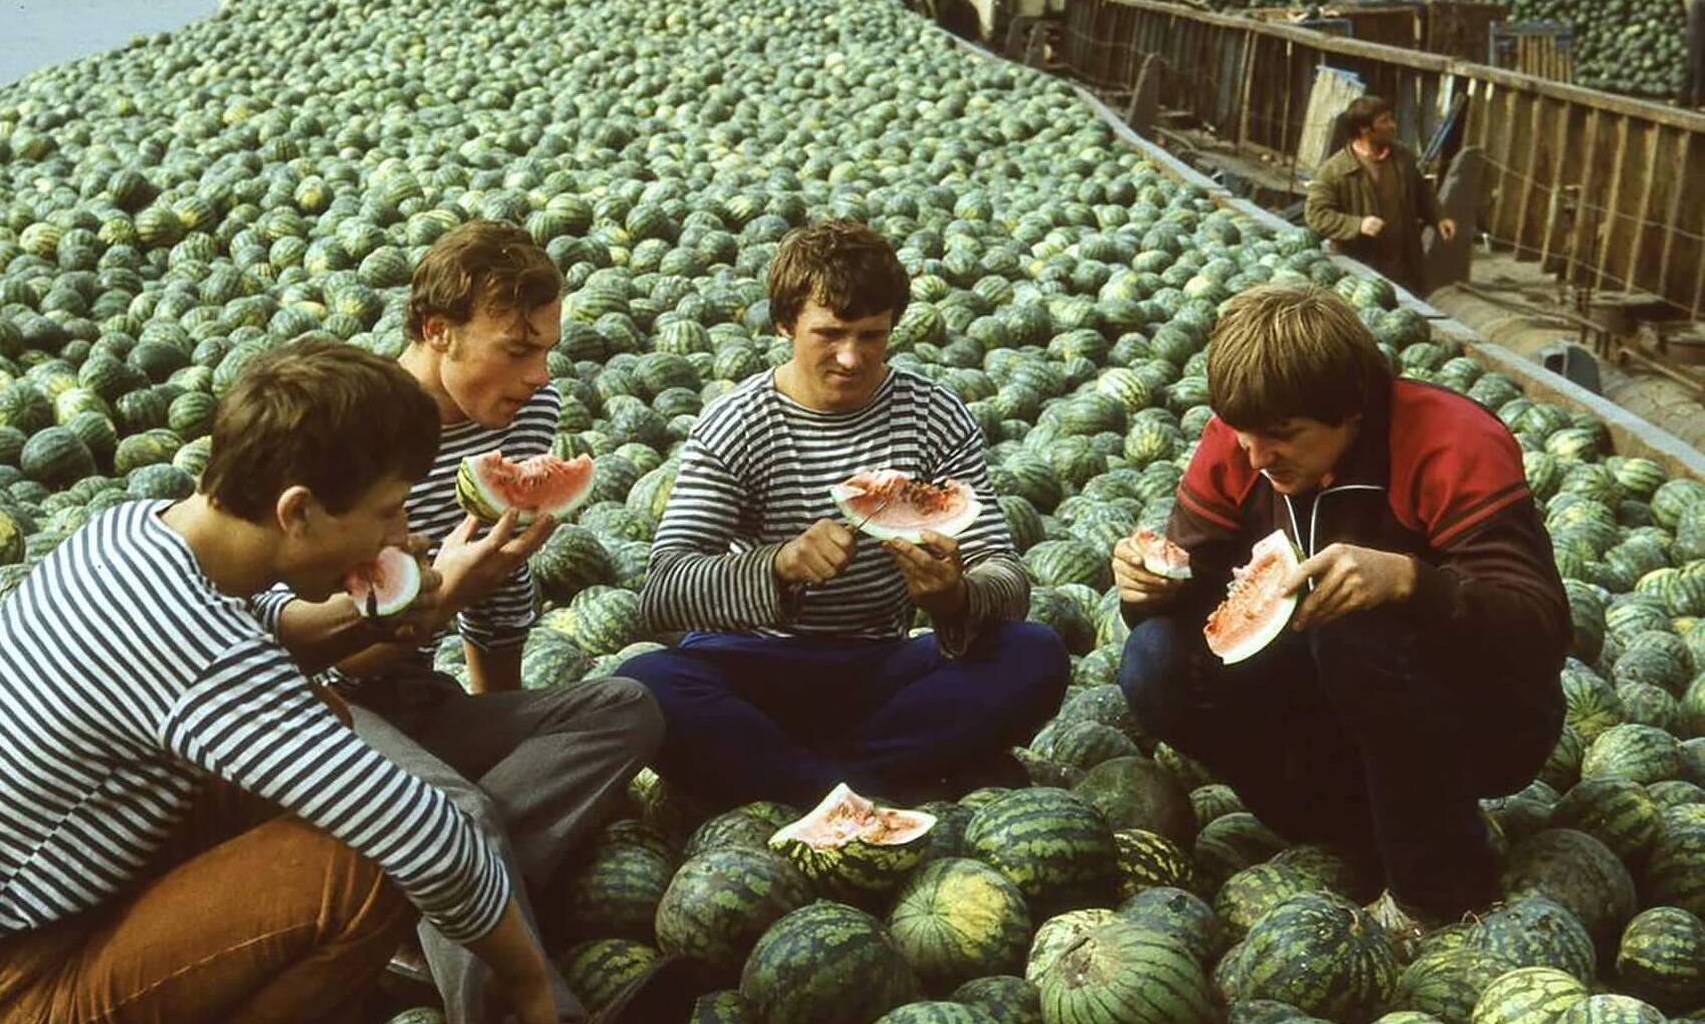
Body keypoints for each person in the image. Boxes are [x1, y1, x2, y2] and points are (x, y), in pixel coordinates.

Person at [0, 341, 558, 1024]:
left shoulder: (138, 533)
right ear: (298, 511)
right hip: (15, 1008)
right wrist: (529, 987)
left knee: (322, 727)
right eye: (388, 513)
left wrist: (379, 613)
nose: (406, 536)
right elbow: (425, 834)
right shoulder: (195, 652)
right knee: (373, 864)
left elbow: (261, 627)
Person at [308, 222, 688, 1024]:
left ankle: (413, 922)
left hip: (418, 698)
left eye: (547, 349)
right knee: (456, 815)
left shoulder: (524, 413)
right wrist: (441, 598)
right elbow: (302, 656)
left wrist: (497, 724)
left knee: (627, 707)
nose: (540, 376)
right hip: (325, 709)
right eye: (518, 350)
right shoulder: (344, 427)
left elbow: (502, 592)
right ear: (436, 330)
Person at [1112, 285, 1568, 930]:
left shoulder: (1449, 442)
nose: (1257, 458)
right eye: (1242, 435)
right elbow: (1203, 592)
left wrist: (1412, 582)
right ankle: (1344, 830)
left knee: (1354, 632)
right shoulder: (1242, 438)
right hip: (1328, 700)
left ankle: (1439, 893)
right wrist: (1154, 587)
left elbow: (1539, 628)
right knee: (1152, 659)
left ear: (1352, 410)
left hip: (1481, 717)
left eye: (1282, 436)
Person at [622, 221, 1068, 811]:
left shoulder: (933, 415)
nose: (851, 358)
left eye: (871, 335)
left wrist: (956, 597)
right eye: (829, 334)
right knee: (648, 684)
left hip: (880, 667)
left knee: (1035, 653)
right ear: (784, 325)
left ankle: (812, 786)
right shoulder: (735, 423)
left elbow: (1005, 574)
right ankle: (877, 781)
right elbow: (664, 591)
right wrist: (777, 566)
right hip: (753, 666)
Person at [1304, 94, 1455, 296]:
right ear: (1364, 129)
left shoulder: (1402, 158)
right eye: (1384, 121)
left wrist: (1439, 217)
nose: (1392, 125)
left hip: (1404, 268)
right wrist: (1358, 225)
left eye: (1390, 119)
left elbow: (1422, 194)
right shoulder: (1334, 171)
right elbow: (1316, 215)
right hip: (1360, 273)